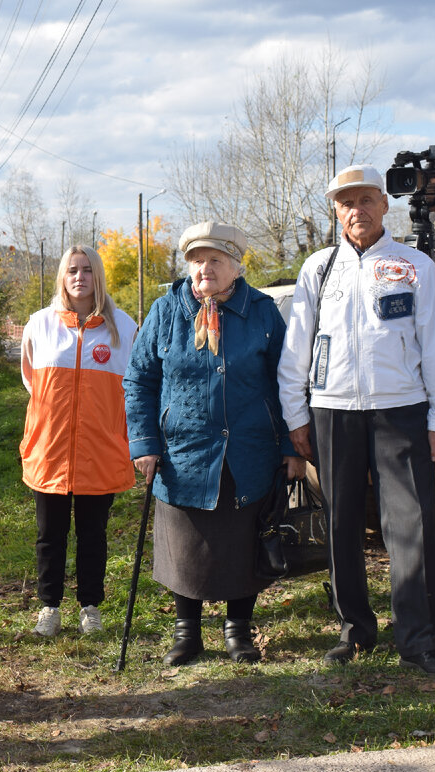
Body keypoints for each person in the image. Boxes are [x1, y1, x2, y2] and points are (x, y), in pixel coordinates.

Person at [277, 165, 435, 677]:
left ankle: (420, 638)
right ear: (336, 211)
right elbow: (297, 348)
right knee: (340, 524)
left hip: (401, 409)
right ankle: (355, 629)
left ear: (384, 204)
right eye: (346, 202)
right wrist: (297, 413)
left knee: (412, 525)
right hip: (332, 410)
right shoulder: (319, 267)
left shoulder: (414, 265)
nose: (356, 210)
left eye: (366, 200)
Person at [123, 222, 302, 665]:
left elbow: (288, 380)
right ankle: (188, 634)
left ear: (237, 267)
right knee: (186, 543)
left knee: (245, 541)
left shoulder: (261, 311)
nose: (205, 269)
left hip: (250, 448)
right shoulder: (166, 311)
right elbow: (140, 380)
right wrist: (144, 442)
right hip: (182, 451)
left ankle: (238, 630)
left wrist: (292, 446)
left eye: (216, 260)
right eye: (197, 260)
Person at [20, 245, 137, 637]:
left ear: (97, 275)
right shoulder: (40, 324)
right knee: (49, 535)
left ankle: (91, 607)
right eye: (72, 269)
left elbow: (134, 389)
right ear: (62, 275)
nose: (80, 277)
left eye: (87, 269)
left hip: (100, 450)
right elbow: (31, 382)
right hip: (50, 450)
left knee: (93, 535)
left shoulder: (124, 327)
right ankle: (49, 607)